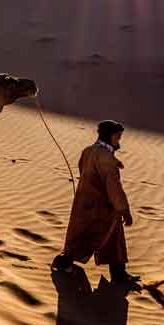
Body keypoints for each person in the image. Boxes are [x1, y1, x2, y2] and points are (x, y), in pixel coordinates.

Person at [51, 120, 138, 285]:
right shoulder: (105, 157)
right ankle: (63, 262)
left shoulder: (89, 151)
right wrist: (124, 209)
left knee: (113, 238)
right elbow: (113, 186)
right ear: (109, 136)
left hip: (86, 202)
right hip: (101, 207)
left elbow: (85, 170)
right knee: (87, 236)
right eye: (117, 137)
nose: (119, 141)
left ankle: (119, 273)